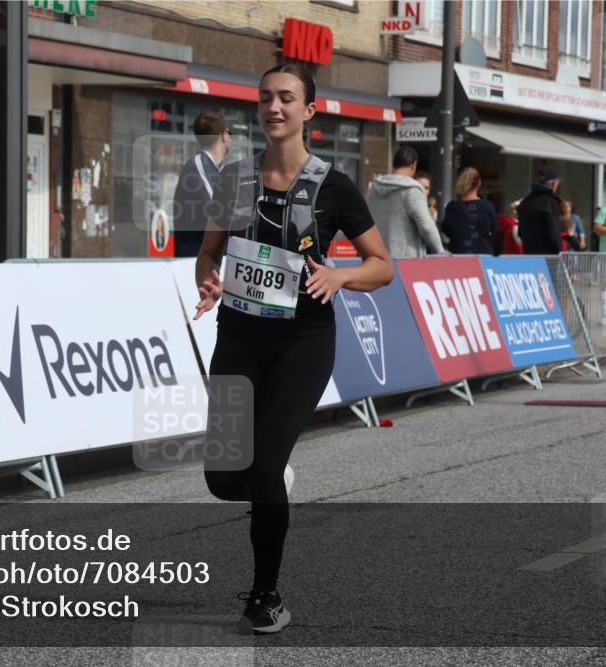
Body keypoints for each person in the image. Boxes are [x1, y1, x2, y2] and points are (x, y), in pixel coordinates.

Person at [193, 64, 393, 634]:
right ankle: (268, 478)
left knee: (260, 468)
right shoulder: (234, 180)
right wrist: (207, 280)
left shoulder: (334, 186)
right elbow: (209, 255)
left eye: (286, 98)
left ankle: (266, 595)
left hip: (302, 342)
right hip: (238, 335)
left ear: (309, 111)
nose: (274, 107)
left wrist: (339, 277)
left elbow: (383, 266)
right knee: (224, 479)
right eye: (265, 99)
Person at [364, 146, 446, 258]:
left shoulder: (374, 188)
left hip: (377, 259)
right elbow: (426, 226)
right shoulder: (412, 190)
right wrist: (440, 250)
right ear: (413, 165)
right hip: (405, 261)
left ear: (393, 165)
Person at [172, 110, 231, 258]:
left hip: (210, 261)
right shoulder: (198, 165)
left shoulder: (217, 169)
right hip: (194, 263)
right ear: (224, 134)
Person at [441, 167, 497, 254]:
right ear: (479, 183)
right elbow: (495, 231)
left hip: (458, 257)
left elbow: (446, 230)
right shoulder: (488, 207)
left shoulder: (452, 207)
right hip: (483, 258)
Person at [517, 167, 563, 255]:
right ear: (553, 183)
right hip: (548, 257)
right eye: (557, 183)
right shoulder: (551, 202)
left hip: (529, 254)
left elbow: (520, 233)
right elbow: (554, 233)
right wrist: (560, 254)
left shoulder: (525, 202)